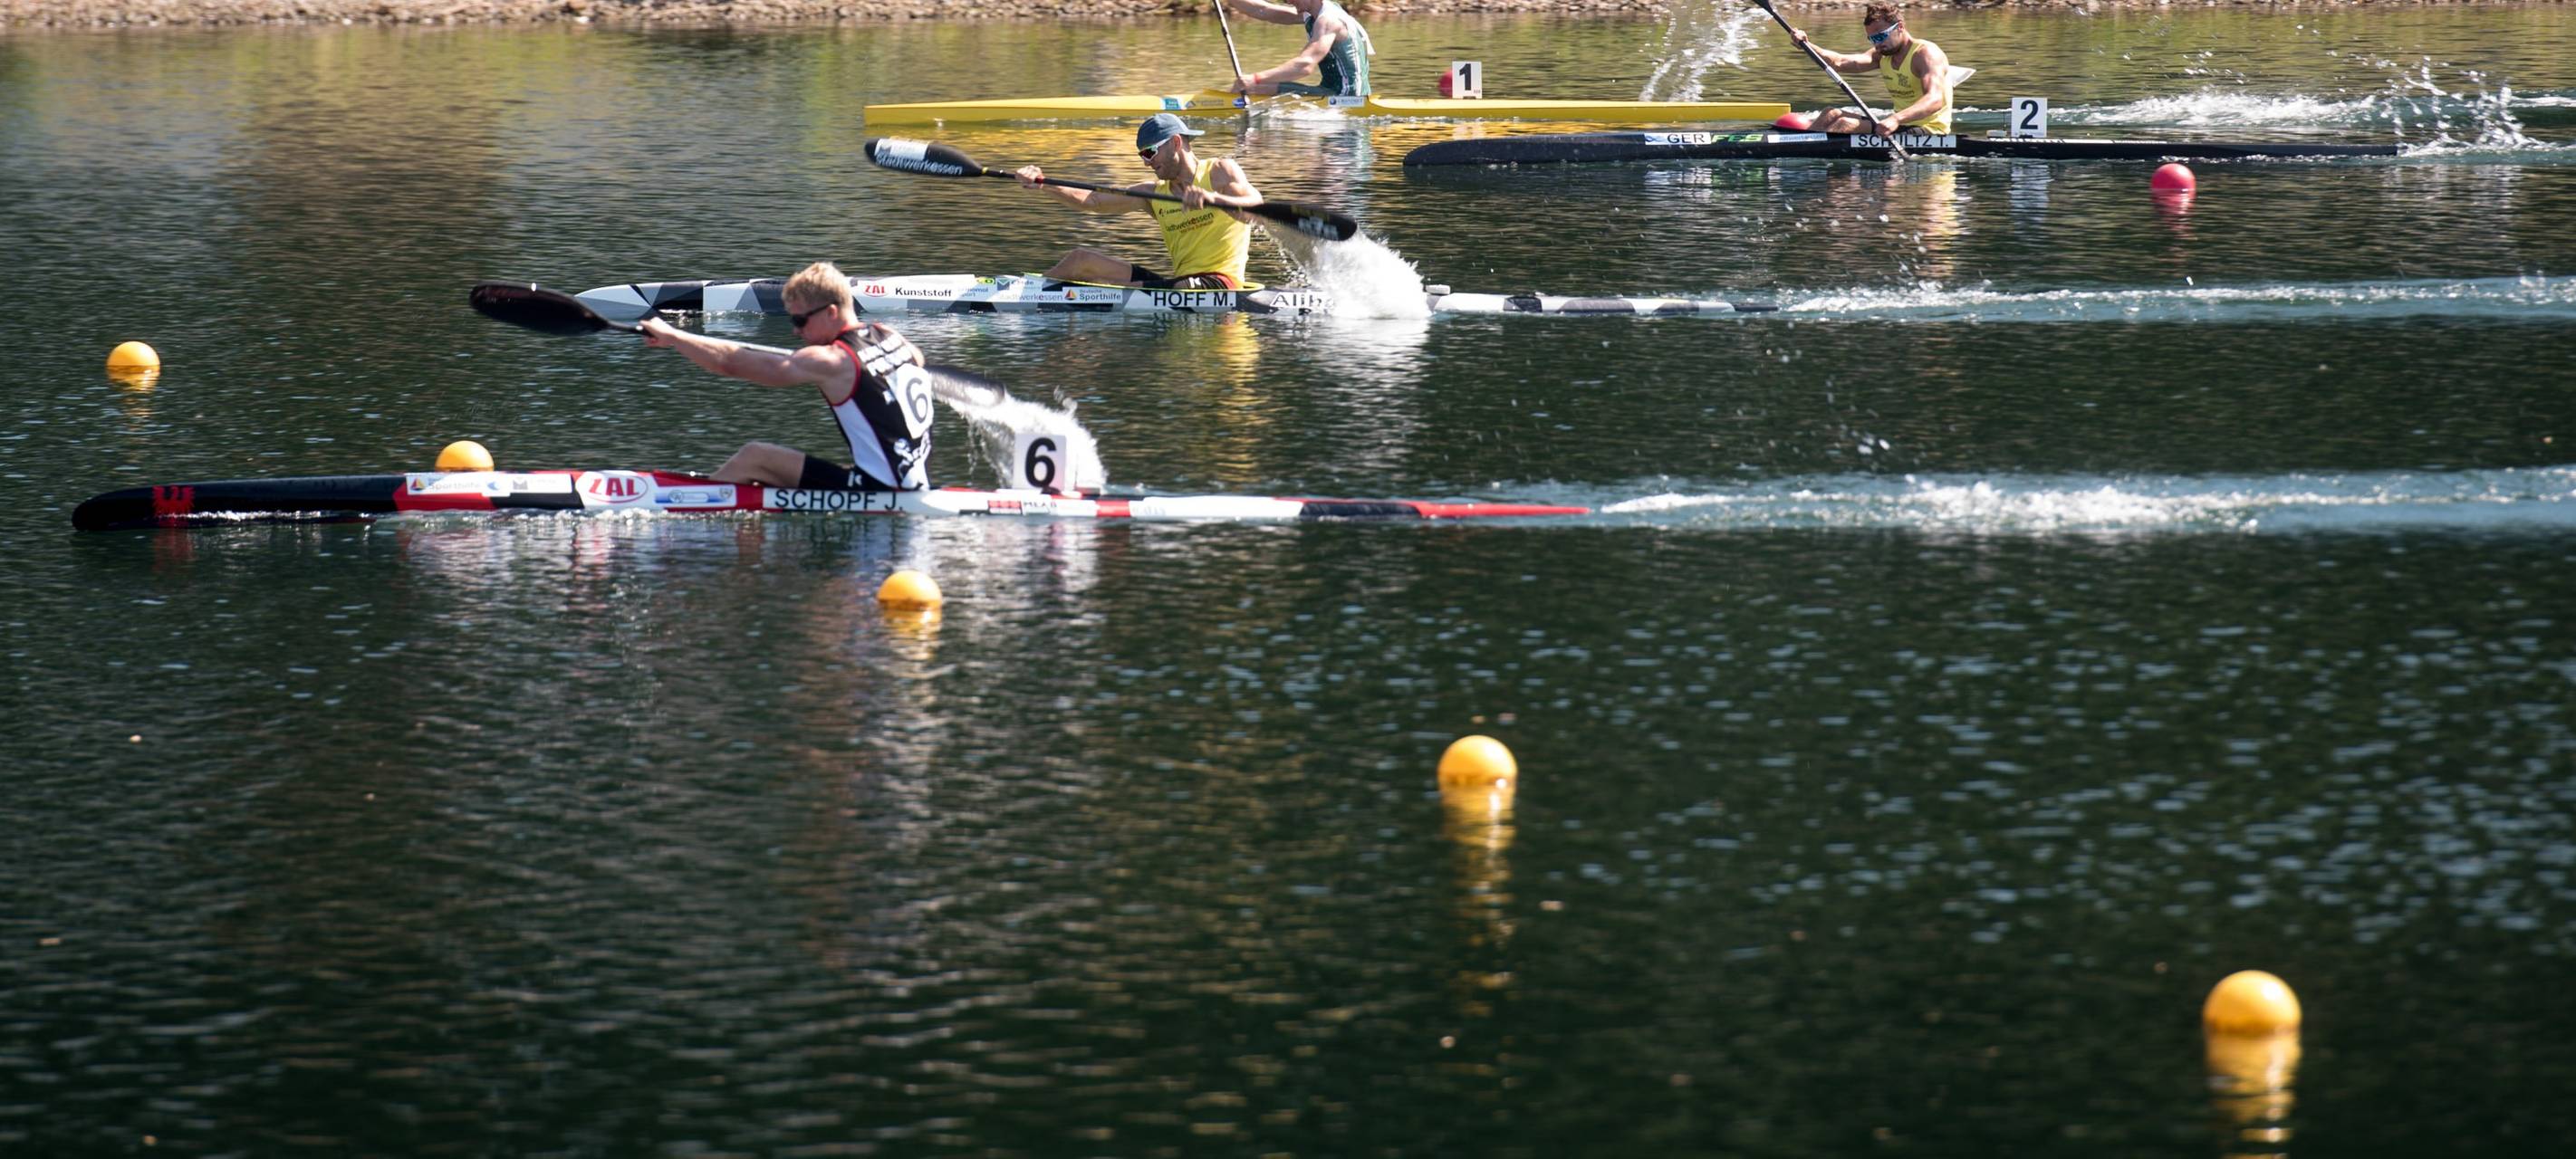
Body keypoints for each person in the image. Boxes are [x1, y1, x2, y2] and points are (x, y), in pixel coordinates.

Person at [636, 261, 934, 491]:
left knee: (756, 457)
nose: (796, 331)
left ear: (831, 312)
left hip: (882, 489)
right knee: (767, 466)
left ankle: (687, 502)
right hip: (912, 479)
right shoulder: (889, 335)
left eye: (800, 320)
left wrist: (673, 336)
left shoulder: (832, 359)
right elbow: (917, 362)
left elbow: (731, 364)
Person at [1013, 114, 1264, 291]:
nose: (1146, 162)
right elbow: (1094, 201)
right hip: (1180, 284)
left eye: (1150, 152)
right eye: (1142, 155)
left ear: (1176, 142)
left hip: (1222, 283)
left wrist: (1214, 199)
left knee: (1180, 286)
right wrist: (1043, 182)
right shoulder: (1153, 194)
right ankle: (1023, 293)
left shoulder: (1219, 172)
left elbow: (1254, 210)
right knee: (1081, 259)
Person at [1786, 3, 1956, 138]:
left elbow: (1935, 100)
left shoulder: (1925, 54)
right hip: (1901, 125)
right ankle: (1800, 147)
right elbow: (1839, 62)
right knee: (1831, 113)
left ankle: (1808, 161)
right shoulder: (1882, 54)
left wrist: (1895, 119)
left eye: (1881, 36)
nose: (1877, 44)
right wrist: (1806, 45)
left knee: (1844, 124)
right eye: (1872, 39)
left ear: (1900, 27)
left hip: (1930, 130)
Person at [1221, 0, 1371, 100]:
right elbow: (1263, 10)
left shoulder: (1329, 21)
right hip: (1330, 91)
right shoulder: (1315, 11)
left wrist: (1255, 78)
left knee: (1253, 87)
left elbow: (1304, 66)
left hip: (1346, 98)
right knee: (1256, 87)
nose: (1288, 1)